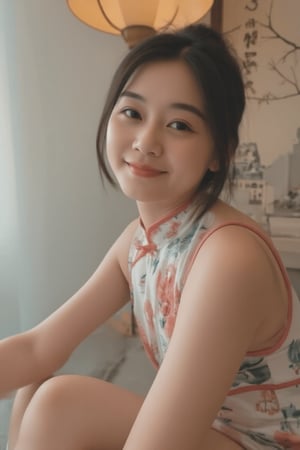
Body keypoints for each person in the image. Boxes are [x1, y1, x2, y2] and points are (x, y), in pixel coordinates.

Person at [1, 23, 300, 450]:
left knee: (59, 404)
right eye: (132, 113)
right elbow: (37, 350)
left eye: (179, 125)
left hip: (263, 443)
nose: (146, 142)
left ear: (218, 152)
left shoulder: (229, 258)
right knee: (35, 387)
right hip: (210, 434)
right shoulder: (138, 243)